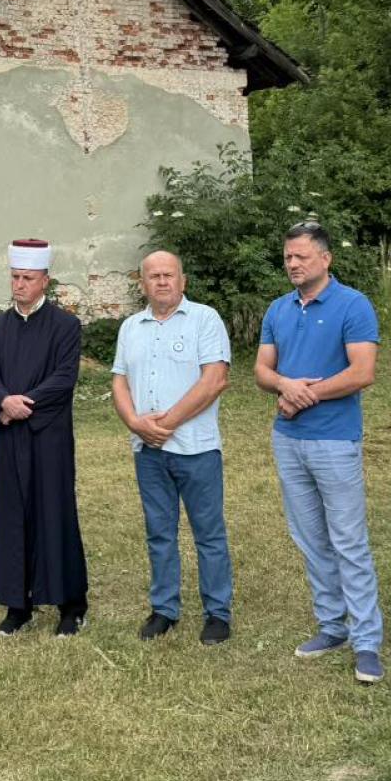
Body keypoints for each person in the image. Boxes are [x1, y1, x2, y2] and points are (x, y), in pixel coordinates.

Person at [255, 221, 386, 685]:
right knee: (310, 538)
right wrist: (285, 385)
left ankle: (367, 640)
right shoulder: (278, 309)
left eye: (302, 257)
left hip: (334, 440)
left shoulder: (353, 305)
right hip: (288, 440)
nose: (292, 264)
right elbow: (262, 370)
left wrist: (303, 395)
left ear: (325, 259)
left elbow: (362, 372)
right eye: (288, 257)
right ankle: (333, 626)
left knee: (348, 540)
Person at [110, 250, 234, 644]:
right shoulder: (131, 327)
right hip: (148, 452)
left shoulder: (205, 320)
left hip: (196, 449)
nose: (162, 282)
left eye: (169, 275)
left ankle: (217, 613)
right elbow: (119, 381)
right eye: (153, 276)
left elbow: (214, 380)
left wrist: (167, 423)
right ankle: (165, 608)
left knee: (208, 533)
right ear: (142, 284)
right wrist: (134, 422)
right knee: (159, 531)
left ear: (182, 281)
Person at [0, 238, 88, 637]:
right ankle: (16, 603)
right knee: (10, 516)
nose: (19, 284)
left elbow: (63, 377)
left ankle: (70, 605)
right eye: (14, 277)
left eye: (27, 277)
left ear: (45, 280)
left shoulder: (65, 326)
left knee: (54, 513)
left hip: (48, 436)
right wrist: (4, 402)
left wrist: (28, 404)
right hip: (8, 436)